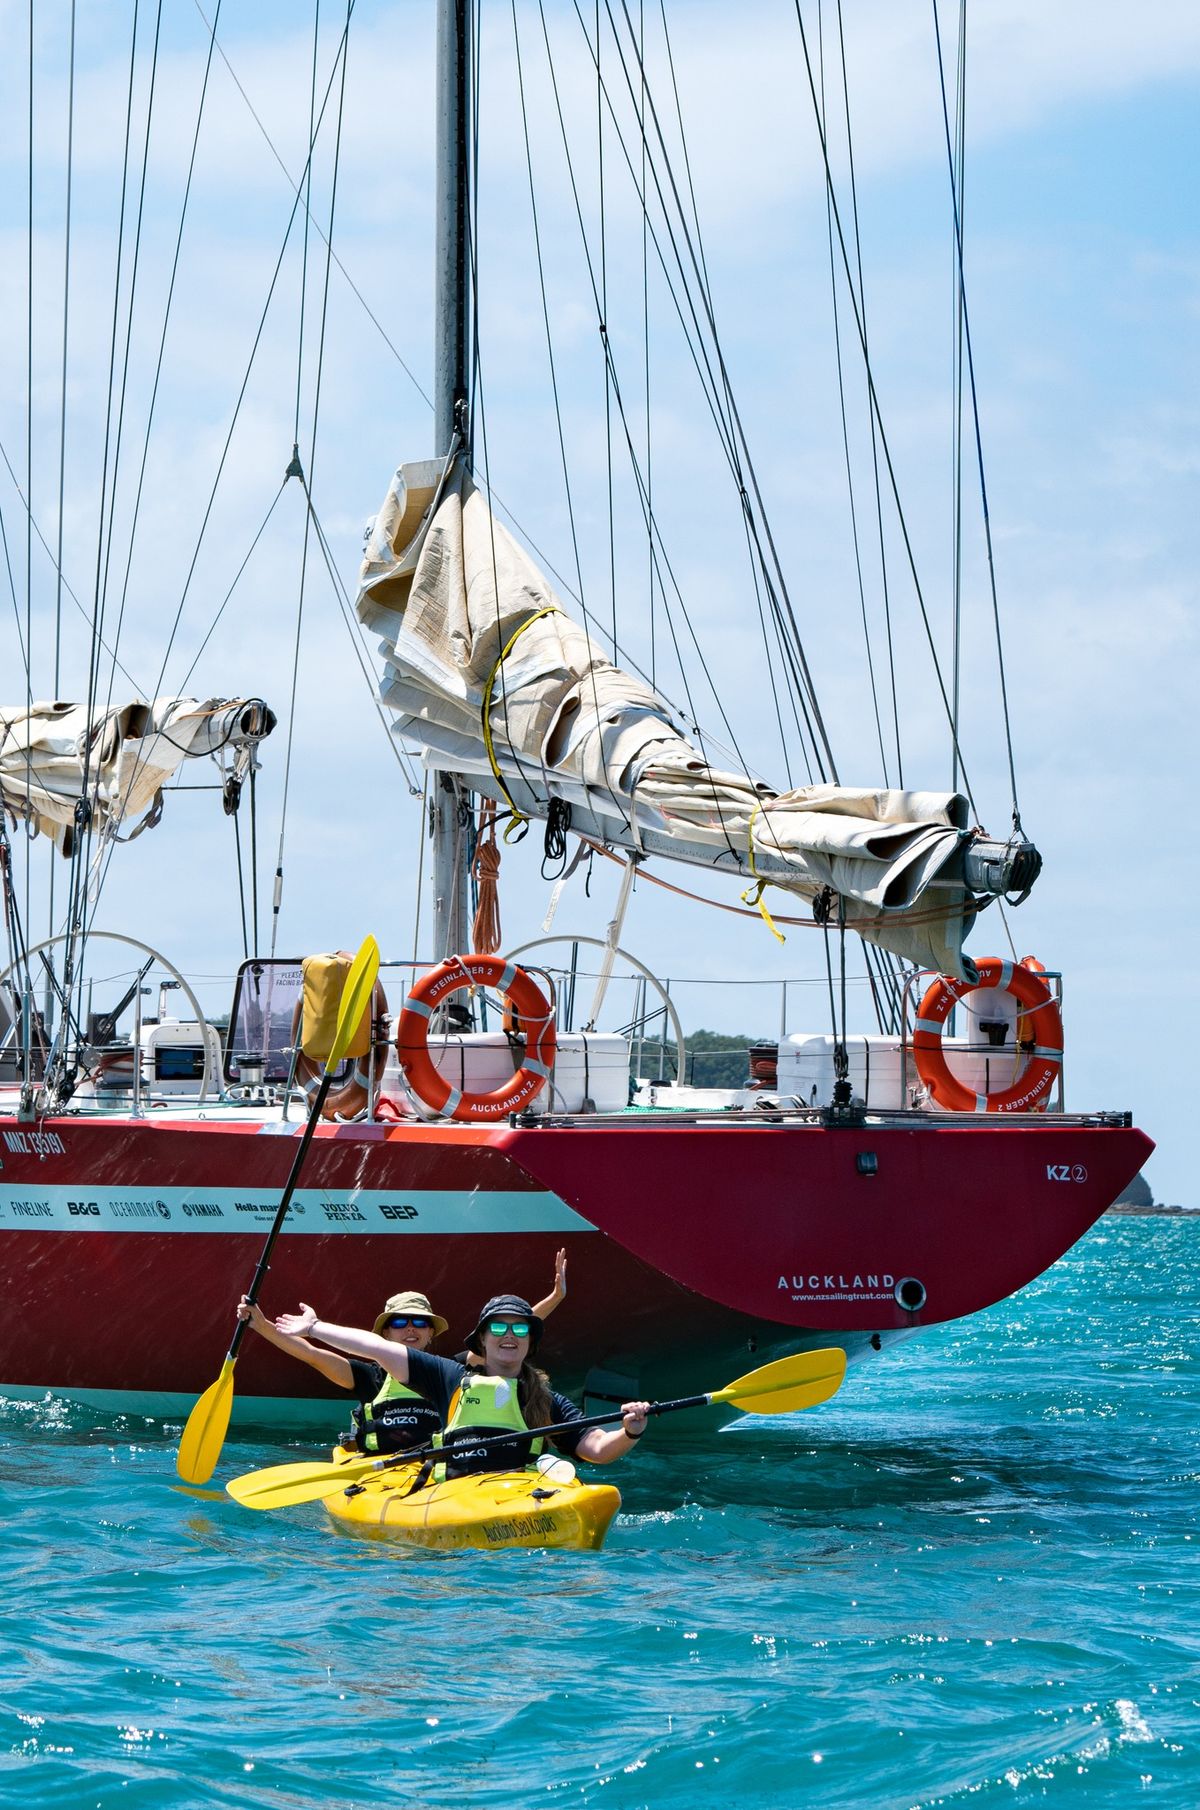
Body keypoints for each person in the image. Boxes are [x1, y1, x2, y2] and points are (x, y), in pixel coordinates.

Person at [274, 1288, 649, 1477]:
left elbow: (596, 1448)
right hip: (455, 1490)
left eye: (520, 1329)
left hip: (513, 1491)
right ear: (482, 1342)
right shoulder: (449, 1377)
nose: (509, 1335)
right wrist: (315, 1328)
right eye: (498, 1328)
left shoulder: (545, 1399)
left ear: (530, 1343)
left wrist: (629, 1431)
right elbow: (375, 1348)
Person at [237, 1249, 569, 1457]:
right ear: (385, 1332)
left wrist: (554, 1299)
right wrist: (262, 1325)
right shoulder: (369, 1376)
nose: (410, 1329)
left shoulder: (448, 1372)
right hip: (379, 1472)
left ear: (430, 1335)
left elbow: (506, 1339)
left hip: (431, 1466)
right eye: (400, 1322)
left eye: (420, 1324)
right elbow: (310, 1354)